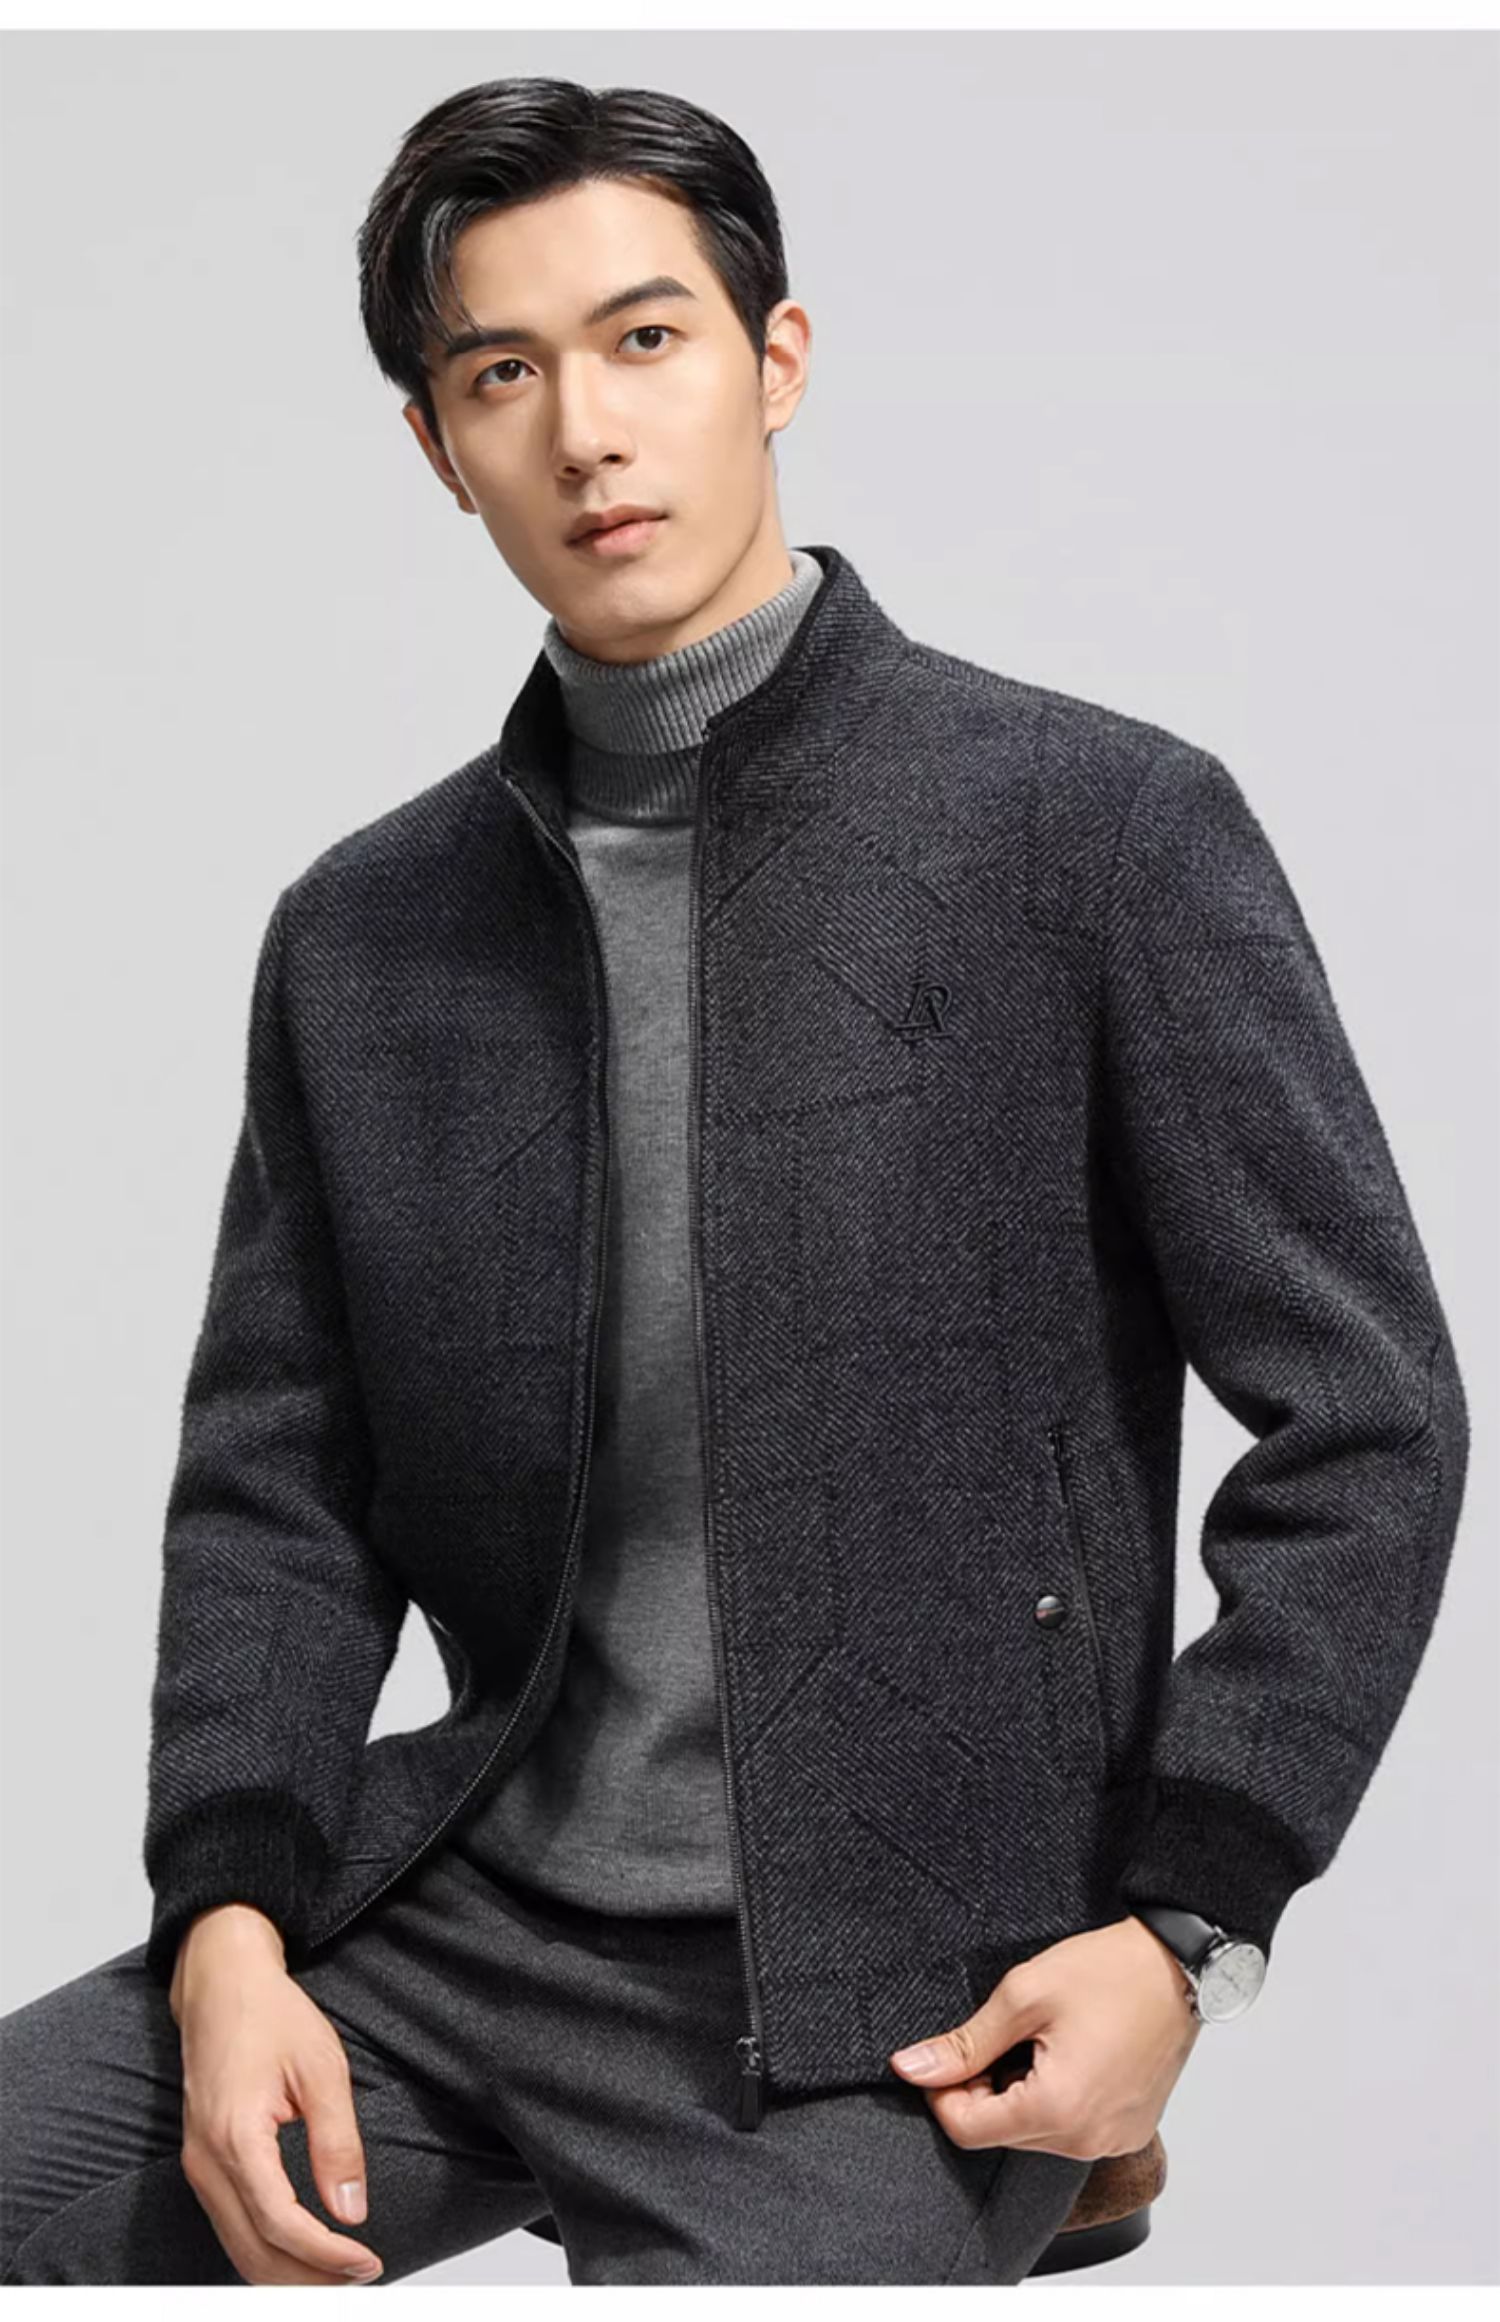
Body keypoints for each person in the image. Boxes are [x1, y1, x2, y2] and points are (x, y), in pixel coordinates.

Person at [0, 76, 1469, 2287]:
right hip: (452, 1919)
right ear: (439, 446)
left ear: (775, 359)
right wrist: (226, 1928)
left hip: (898, 1995)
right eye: (504, 374)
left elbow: (1371, 1418)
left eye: (646, 339)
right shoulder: (368, 934)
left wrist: (1189, 1927)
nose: (587, 431)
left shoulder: (1090, 830)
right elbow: (278, 1485)